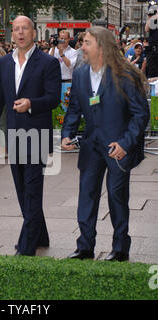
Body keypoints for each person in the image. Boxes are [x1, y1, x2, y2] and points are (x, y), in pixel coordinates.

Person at [61, 26, 149, 262]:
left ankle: (120, 249)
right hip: (91, 147)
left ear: (101, 46)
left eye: (87, 42)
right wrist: (67, 134)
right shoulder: (80, 74)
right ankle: (85, 247)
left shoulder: (125, 75)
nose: (82, 47)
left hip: (118, 149)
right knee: (87, 195)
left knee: (116, 197)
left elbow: (141, 115)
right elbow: (74, 109)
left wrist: (125, 143)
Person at [0, 16, 61, 256]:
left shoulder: (48, 62)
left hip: (36, 135)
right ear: (11, 34)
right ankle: (41, 235)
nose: (20, 33)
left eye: (24, 28)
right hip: (13, 137)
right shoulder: (4, 63)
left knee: (31, 189)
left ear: (34, 32)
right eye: (16, 29)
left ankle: (26, 246)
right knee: (21, 189)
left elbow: (53, 98)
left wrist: (31, 103)